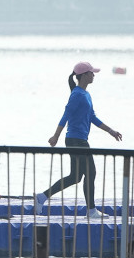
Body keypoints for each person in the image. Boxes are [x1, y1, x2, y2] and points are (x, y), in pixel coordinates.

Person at [38, 61, 122, 219]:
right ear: (84, 76)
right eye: (91, 73)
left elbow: (92, 117)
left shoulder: (85, 94)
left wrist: (111, 131)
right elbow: (66, 115)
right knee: (91, 172)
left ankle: (41, 197)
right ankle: (91, 211)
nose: (94, 75)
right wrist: (55, 136)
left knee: (75, 177)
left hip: (78, 139)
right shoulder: (77, 94)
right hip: (76, 140)